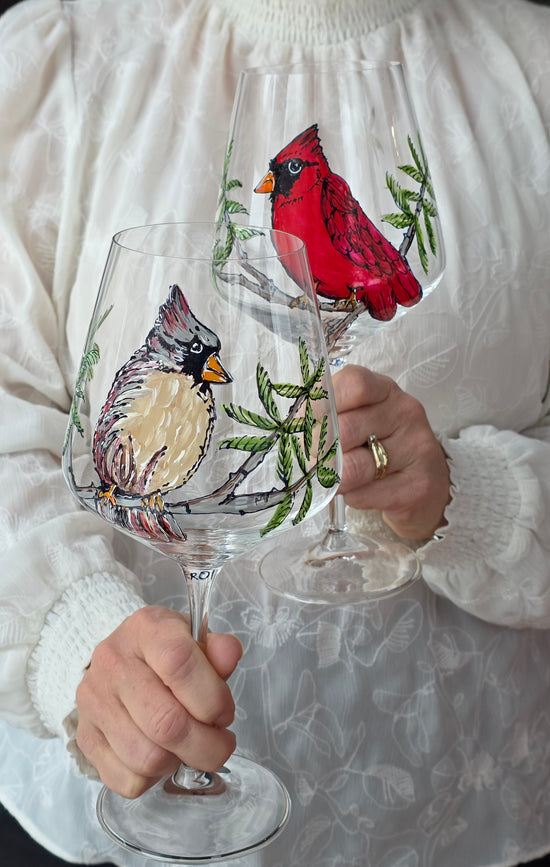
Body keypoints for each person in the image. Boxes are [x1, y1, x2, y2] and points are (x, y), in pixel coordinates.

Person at [1, 0, 550, 865]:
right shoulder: (60, 60)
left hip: (469, 812)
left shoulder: (531, 65)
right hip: (120, 819)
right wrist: (73, 634)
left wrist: (469, 495)